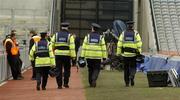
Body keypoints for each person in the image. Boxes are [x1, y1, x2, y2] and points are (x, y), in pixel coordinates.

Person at [80, 23, 107, 88]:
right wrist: (104, 58)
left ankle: (90, 82)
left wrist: (82, 56)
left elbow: (84, 47)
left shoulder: (88, 36)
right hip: (97, 57)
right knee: (96, 69)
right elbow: (103, 48)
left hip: (89, 56)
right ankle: (94, 79)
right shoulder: (101, 37)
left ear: (92, 29)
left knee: (90, 69)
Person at [116, 21, 142, 87]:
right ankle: (132, 76)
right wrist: (139, 52)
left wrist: (118, 53)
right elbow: (139, 43)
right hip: (133, 55)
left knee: (126, 69)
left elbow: (119, 44)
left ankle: (127, 83)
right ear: (132, 26)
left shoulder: (123, 33)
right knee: (133, 67)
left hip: (125, 55)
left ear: (127, 26)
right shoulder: (136, 33)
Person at [51, 22, 76, 89]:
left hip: (58, 55)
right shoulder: (70, 36)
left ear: (61, 27)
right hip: (67, 55)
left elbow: (51, 45)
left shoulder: (56, 35)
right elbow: (72, 47)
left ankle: (59, 85)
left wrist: (51, 54)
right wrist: (73, 56)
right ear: (67, 27)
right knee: (67, 69)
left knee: (58, 69)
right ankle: (65, 83)